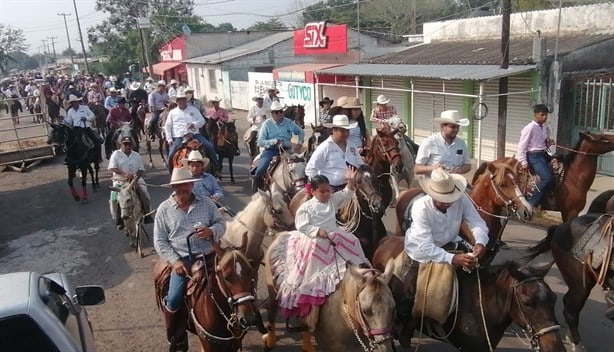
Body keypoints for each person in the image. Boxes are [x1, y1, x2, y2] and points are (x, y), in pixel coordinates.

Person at [278, 171, 369, 328]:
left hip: (333, 235)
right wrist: (317, 231)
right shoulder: (306, 207)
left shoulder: (332, 201)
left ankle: (361, 269)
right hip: (315, 239)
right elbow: (302, 225)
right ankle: (313, 291)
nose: (327, 194)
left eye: (328, 190)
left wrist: (350, 182)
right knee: (317, 249)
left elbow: (346, 194)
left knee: (353, 239)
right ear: (312, 191)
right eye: (322, 191)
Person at [402, 168, 489, 332]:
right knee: (409, 292)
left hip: (449, 242)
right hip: (420, 250)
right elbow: (426, 246)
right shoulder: (420, 207)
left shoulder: (461, 199)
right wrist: (453, 259)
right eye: (442, 199)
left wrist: (480, 242)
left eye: (449, 198)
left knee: (476, 272)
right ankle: (404, 325)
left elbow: (477, 223)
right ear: (432, 193)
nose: (447, 202)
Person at [153, 166, 226, 349]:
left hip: (209, 255)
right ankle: (176, 337)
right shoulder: (164, 209)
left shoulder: (207, 203)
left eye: (185, 184)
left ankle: (242, 322)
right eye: (178, 186)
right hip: (183, 261)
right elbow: (160, 241)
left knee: (236, 284)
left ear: (192, 184)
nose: (182, 189)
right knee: (174, 299)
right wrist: (175, 261)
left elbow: (221, 223)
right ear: (173, 188)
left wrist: (212, 231)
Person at [253, 100, 304, 192]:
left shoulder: (289, 122)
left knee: (300, 165)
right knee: (261, 169)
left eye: (281, 111)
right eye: (277, 112)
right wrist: (273, 141)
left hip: (287, 150)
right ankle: (256, 190)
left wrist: (299, 143)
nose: (280, 114)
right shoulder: (267, 124)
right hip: (271, 151)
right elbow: (260, 142)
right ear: (272, 113)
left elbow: (301, 131)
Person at [305, 114, 365, 191]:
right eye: (342, 131)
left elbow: (360, 165)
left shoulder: (352, 146)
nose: (346, 134)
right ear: (333, 130)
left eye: (347, 130)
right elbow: (310, 170)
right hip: (332, 190)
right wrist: (323, 187)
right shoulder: (324, 147)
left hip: (352, 186)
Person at [164, 90, 219, 173]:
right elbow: (167, 126)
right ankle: (172, 173)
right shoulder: (172, 112)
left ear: (186, 100)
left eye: (183, 99)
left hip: (194, 135)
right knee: (171, 154)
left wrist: (194, 124)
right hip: (179, 137)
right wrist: (169, 139)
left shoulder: (193, 110)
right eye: (180, 100)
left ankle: (216, 168)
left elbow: (202, 120)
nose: (181, 101)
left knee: (210, 147)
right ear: (177, 101)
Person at [108, 136, 153, 230]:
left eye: (129, 144)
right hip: (120, 180)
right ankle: (118, 220)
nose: (127, 146)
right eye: (125, 144)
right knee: (113, 198)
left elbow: (141, 169)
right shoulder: (116, 154)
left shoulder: (136, 155)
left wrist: (135, 179)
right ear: (121, 144)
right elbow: (112, 168)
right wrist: (124, 174)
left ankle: (147, 214)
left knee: (144, 192)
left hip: (135, 179)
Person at [516, 104, 555, 207]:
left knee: (559, 164)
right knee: (547, 178)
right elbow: (521, 146)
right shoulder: (529, 128)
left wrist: (548, 143)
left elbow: (540, 143)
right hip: (534, 157)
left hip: (543, 154)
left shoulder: (543, 127)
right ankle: (531, 202)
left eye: (546, 115)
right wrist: (524, 162)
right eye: (542, 115)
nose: (545, 117)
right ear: (535, 115)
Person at [414, 110, 472, 176]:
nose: (456, 130)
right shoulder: (429, 142)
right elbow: (417, 169)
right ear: (442, 127)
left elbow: (468, 165)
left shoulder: (461, 143)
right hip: (432, 182)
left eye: (458, 127)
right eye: (453, 127)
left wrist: (459, 170)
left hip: (455, 180)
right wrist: (433, 168)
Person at [63, 94, 102, 161]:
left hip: (86, 128)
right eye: (73, 103)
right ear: (71, 103)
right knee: (68, 142)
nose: (75, 104)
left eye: (76, 102)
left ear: (78, 102)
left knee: (96, 140)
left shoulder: (85, 108)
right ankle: (68, 158)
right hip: (76, 129)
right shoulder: (70, 111)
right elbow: (69, 121)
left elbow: (92, 115)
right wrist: (63, 119)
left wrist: (86, 118)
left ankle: (98, 156)